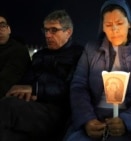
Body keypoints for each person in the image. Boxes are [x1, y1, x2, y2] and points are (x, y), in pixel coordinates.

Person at [63, 0, 131, 141]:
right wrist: (87, 119)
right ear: (102, 27)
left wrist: (128, 121)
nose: (114, 29)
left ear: (130, 24)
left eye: (119, 23)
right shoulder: (91, 50)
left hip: (130, 123)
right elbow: (79, 86)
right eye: (108, 24)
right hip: (95, 118)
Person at [0, 10, 84, 141]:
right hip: (32, 107)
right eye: (45, 30)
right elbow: (25, 81)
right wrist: (22, 90)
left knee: (7, 107)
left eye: (54, 30)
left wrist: (36, 90)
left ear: (68, 32)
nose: (48, 35)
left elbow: (72, 88)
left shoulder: (79, 55)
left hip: (58, 111)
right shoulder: (40, 55)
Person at [0, 15, 31, 98]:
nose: (0, 30)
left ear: (9, 29)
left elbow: (5, 84)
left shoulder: (18, 51)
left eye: (2, 26)